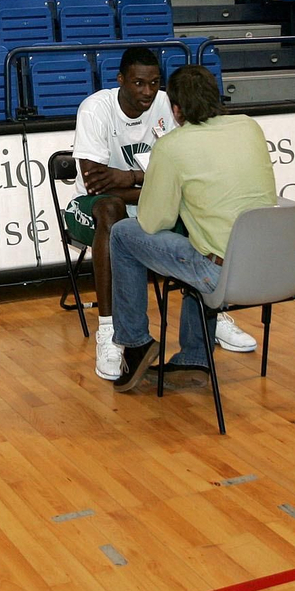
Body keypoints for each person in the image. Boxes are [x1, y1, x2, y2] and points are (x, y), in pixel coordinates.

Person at [64, 48, 256, 381]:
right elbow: (96, 184)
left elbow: (187, 181)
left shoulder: (169, 104)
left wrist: (129, 177)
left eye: (154, 83)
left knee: (194, 208)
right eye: (138, 83)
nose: (148, 92)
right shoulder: (96, 108)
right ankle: (109, 332)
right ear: (121, 79)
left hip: (148, 201)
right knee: (113, 211)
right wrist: (157, 184)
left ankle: (214, 311)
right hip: (94, 209)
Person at [105, 65, 278, 392]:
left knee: (125, 235)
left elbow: (154, 222)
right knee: (203, 240)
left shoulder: (172, 145)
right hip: (276, 268)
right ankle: (196, 354)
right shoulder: (249, 127)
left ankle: (135, 341)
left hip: (223, 276)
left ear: (176, 109)